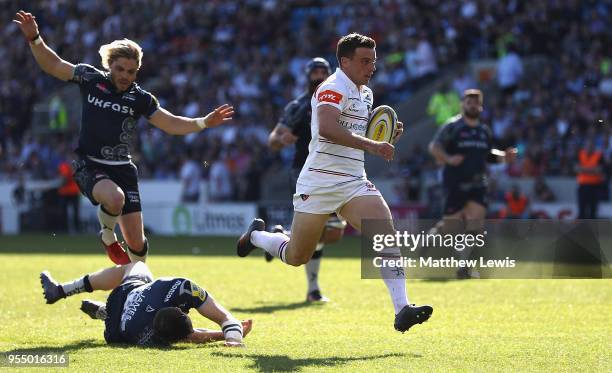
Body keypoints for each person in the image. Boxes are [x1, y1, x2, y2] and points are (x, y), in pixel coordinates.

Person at [236, 33, 432, 333]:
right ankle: (257, 237)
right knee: (297, 255)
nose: (372, 67)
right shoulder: (332, 87)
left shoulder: (365, 93)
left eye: (374, 61)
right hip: (318, 182)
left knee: (385, 235)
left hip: (354, 181)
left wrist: (387, 135)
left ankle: (402, 308)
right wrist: (371, 145)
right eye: (365, 61)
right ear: (345, 61)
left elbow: (359, 132)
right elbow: (328, 128)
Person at [14, 10, 233, 264]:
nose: (125, 76)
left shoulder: (141, 98)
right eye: (120, 69)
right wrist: (35, 39)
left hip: (123, 170)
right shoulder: (90, 78)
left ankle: (135, 290)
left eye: (131, 71)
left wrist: (204, 122)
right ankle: (107, 234)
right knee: (114, 199)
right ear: (109, 65)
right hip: (89, 164)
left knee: (138, 248)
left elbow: (171, 124)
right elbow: (53, 65)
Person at [267, 57, 347, 303]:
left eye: (324, 71)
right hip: (305, 173)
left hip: (334, 171)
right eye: (316, 72)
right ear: (308, 76)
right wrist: (283, 139)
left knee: (332, 232)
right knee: (322, 229)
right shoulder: (299, 106)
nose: (320, 76)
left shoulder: (338, 101)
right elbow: (273, 140)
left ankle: (279, 235)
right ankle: (313, 289)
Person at [40, 261, 252, 347]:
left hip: (122, 298)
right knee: (122, 313)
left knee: (135, 265)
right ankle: (103, 312)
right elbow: (200, 331)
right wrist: (232, 336)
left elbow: (192, 334)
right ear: (182, 307)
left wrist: (230, 335)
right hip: (116, 330)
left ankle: (62, 290)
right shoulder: (149, 336)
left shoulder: (178, 286)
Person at [428, 89, 515, 279]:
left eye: (476, 103)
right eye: (469, 102)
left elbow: (489, 155)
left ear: (481, 107)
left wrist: (504, 158)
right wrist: (449, 159)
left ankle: (464, 267)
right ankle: (436, 233)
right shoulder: (452, 127)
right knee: (451, 227)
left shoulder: (484, 131)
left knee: (475, 225)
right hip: (454, 182)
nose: (473, 105)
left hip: (478, 183)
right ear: (463, 105)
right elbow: (434, 147)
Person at [576, 139, 605, 219]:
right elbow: (576, 168)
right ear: (585, 146)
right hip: (583, 186)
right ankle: (582, 230)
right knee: (581, 211)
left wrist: (584, 169)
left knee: (593, 211)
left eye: (591, 146)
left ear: (594, 147)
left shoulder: (599, 155)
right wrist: (592, 170)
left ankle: (593, 231)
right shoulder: (580, 154)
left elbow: (599, 170)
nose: (589, 147)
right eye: (587, 146)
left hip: (594, 187)